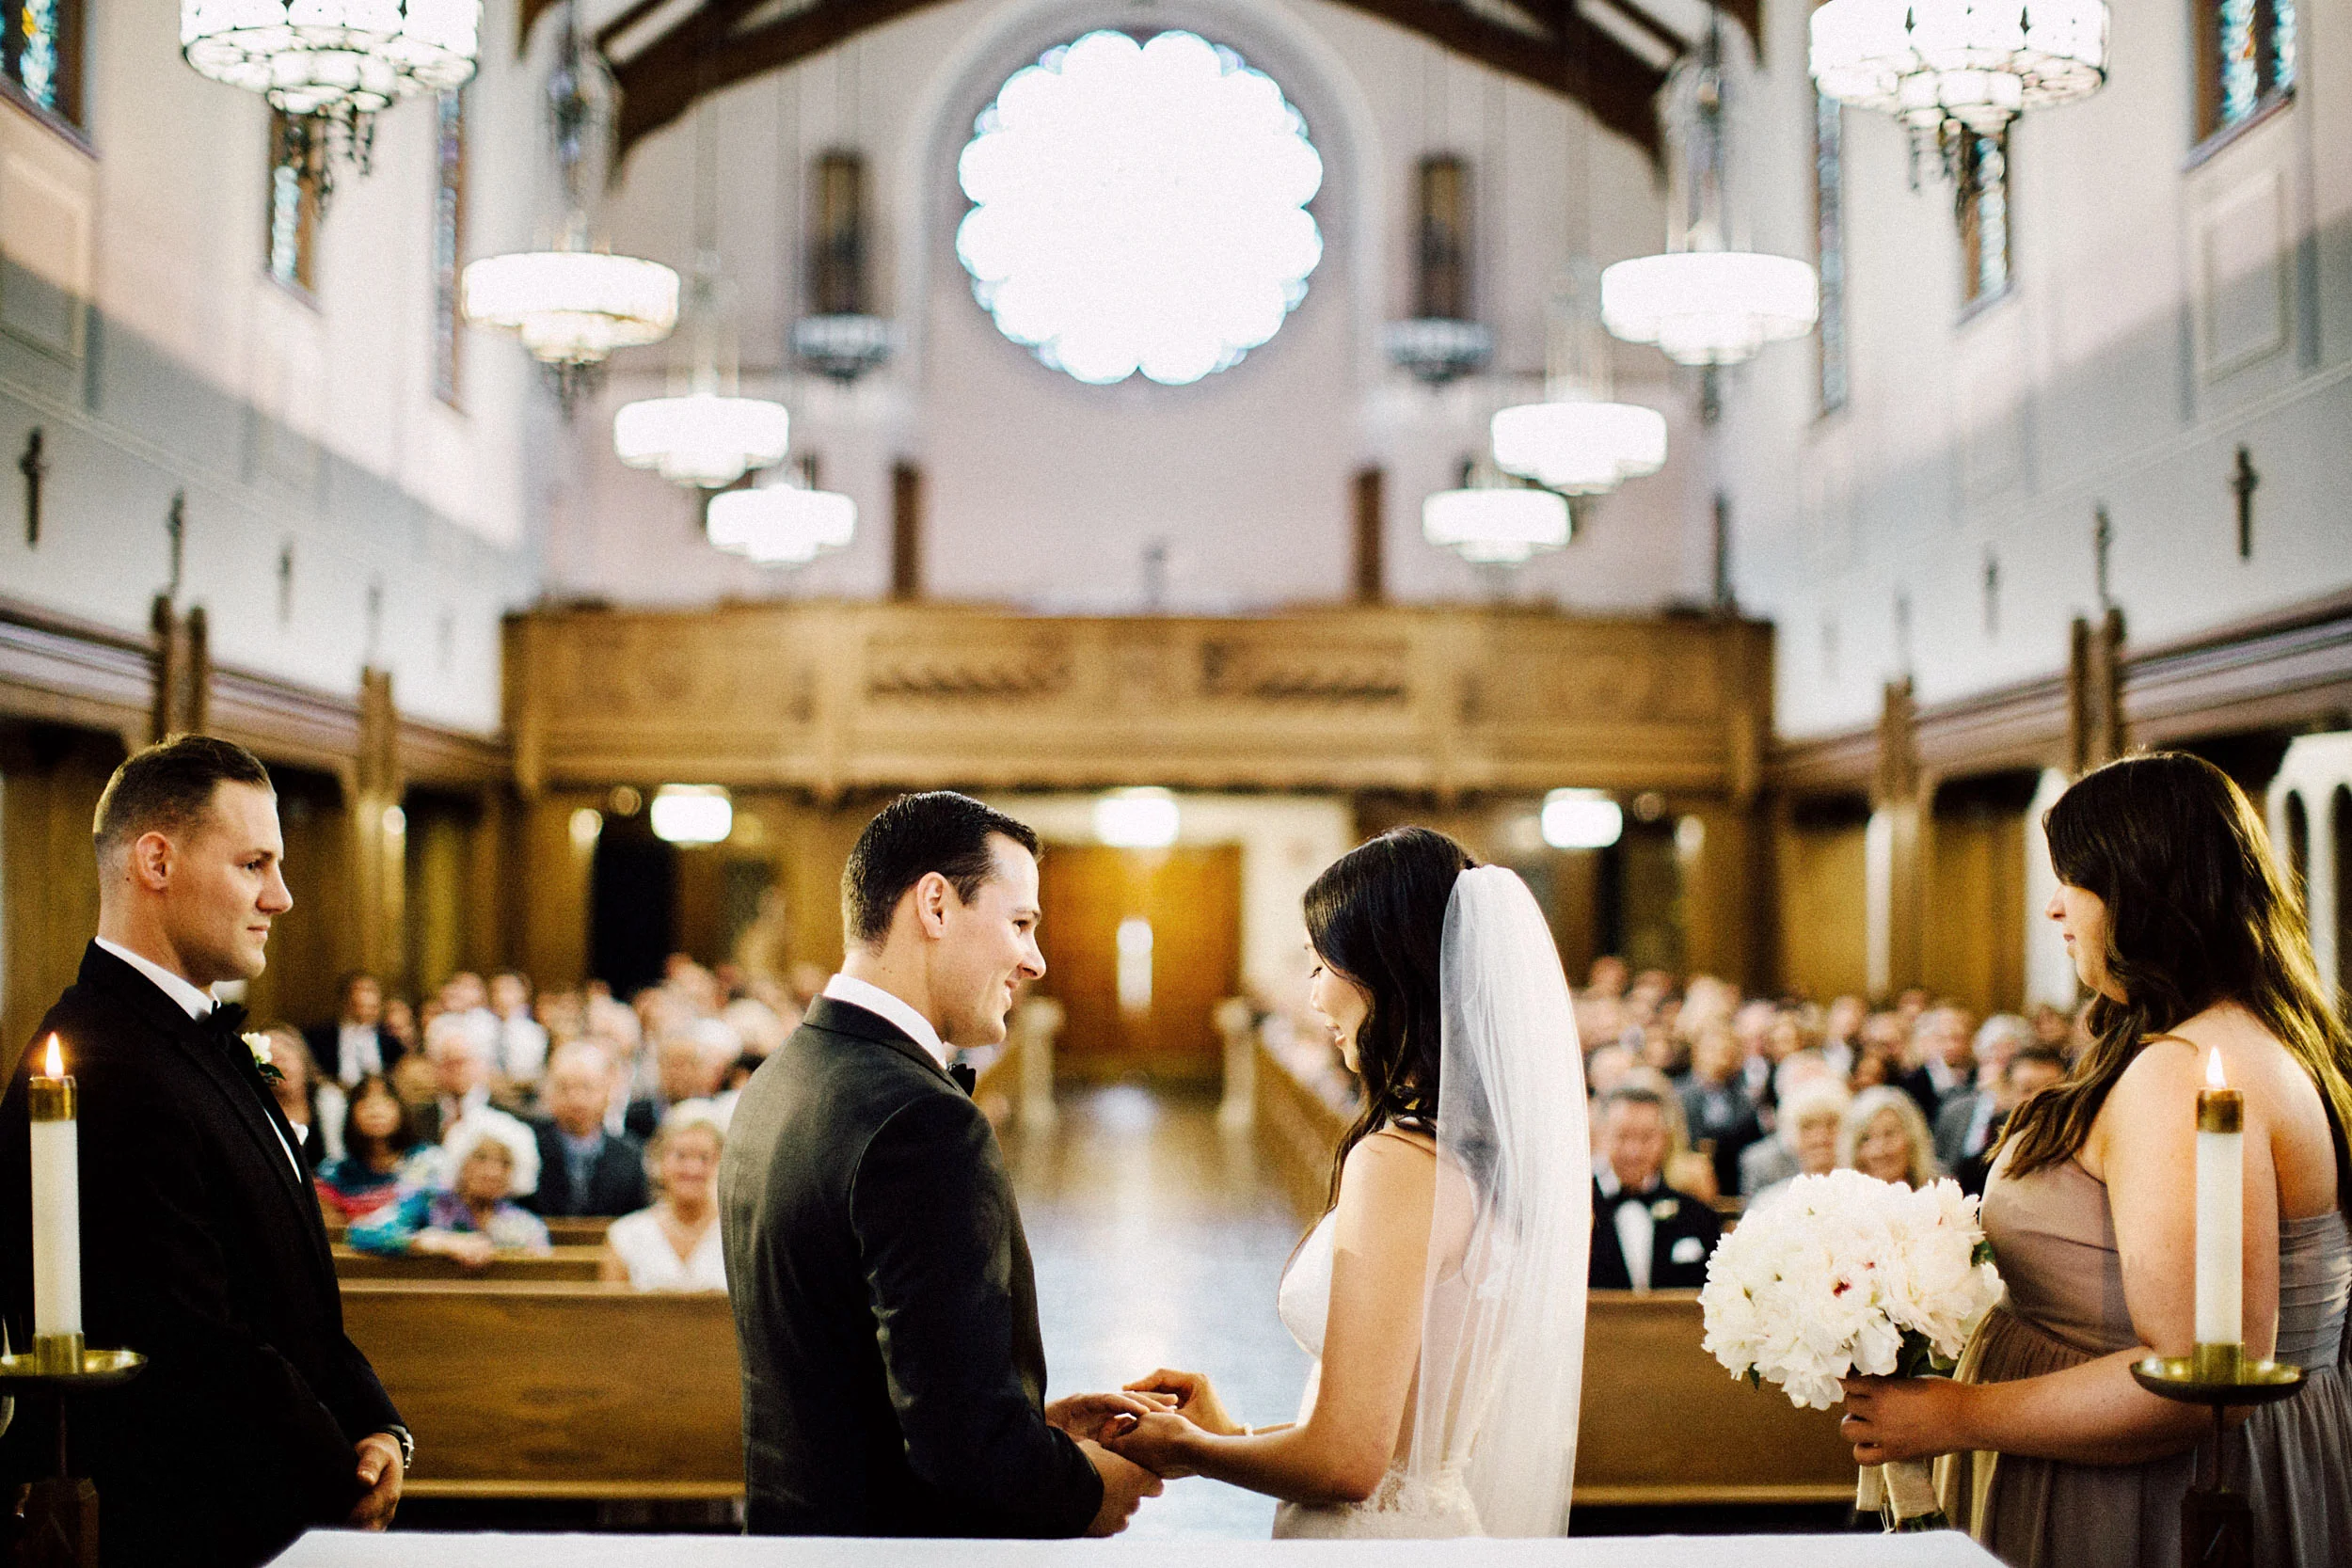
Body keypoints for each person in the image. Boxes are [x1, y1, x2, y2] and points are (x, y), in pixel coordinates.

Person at [1838, 752, 2352, 1568]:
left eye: (2073, 879)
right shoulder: (2225, 1036)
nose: (2054, 906)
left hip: (2139, 1498)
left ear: (2143, 888)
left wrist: (1957, 1414)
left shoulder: (2185, 1071)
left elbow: (2193, 1380)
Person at [1104, 829, 1593, 1536]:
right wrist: (1232, 1435)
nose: (1312, 996)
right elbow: (1400, 1442)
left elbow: (1349, 1464)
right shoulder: (1486, 1161)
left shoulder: (1399, 1163)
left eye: (1319, 964)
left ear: (1383, 968)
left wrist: (1191, 1449)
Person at [0, 736, 408, 1565]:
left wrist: (375, 1420)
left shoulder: (196, 1040)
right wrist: (338, 1470)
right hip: (186, 1529)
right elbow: (189, 1338)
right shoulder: (100, 1064)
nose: (281, 897)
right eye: (255, 864)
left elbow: (294, 1291)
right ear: (156, 860)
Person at [718, 792, 1164, 1537]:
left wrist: (1028, 1425)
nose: (1035, 959)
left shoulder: (782, 1075)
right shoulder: (921, 1121)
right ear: (935, 905)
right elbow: (962, 1451)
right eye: (1019, 923)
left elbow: (852, 1380)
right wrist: (1085, 1486)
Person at [349, 1113, 550, 1267]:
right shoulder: (429, 1201)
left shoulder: (525, 1224)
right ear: (460, 1161)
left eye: (505, 1163)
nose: (492, 1172)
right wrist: (439, 1242)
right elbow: (363, 1232)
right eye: (480, 1158)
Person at [1588, 1084, 1720, 1291]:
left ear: (1665, 1139)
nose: (1634, 1151)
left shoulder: (1695, 1214)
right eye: (1623, 1136)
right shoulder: (1578, 1212)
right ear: (1602, 1136)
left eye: (1646, 1137)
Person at [602, 1101, 728, 1291]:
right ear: (659, 1161)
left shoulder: (738, 1236)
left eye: (704, 1158)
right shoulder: (626, 1236)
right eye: (681, 1156)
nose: (692, 1169)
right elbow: (610, 1307)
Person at [527, 1041, 647, 1217]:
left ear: (607, 1091)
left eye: (587, 1087)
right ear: (548, 1093)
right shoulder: (527, 1146)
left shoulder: (630, 1156)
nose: (576, 1099)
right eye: (564, 1088)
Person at [315, 1073, 437, 1222]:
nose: (375, 1111)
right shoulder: (333, 1174)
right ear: (351, 1114)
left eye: (384, 1101)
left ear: (402, 1109)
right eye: (366, 1102)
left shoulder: (429, 1162)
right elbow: (330, 1228)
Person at [1953, 1046, 2067, 1197]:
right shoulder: (1980, 1167)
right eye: (2027, 1089)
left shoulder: (2085, 1156)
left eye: (2051, 1091)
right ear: (2008, 1093)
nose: (2038, 1099)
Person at [1934, 1014, 2034, 1174]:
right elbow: (1941, 1162)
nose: (2000, 1064)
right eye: (1993, 1053)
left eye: (2009, 1057)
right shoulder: (1955, 1107)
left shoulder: (2029, 1111)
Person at [1741, 1079, 1851, 1200]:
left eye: (1831, 1124)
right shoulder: (1772, 1200)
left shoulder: (1861, 1193)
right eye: (1808, 1126)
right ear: (1791, 1134)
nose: (1820, 1137)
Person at [307, 971, 398, 1087]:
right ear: (345, 1001)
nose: (366, 997)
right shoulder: (319, 1037)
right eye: (361, 1005)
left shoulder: (391, 1040)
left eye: (372, 1007)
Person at [1839, 1085, 1938, 1188]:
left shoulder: (1941, 1193)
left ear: (1912, 1138)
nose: (1879, 1151)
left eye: (1889, 1134)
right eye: (1865, 1139)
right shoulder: (1839, 1197)